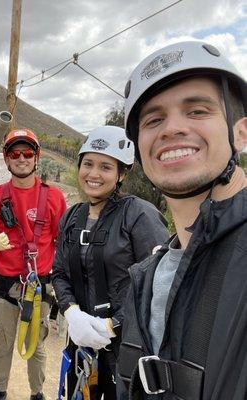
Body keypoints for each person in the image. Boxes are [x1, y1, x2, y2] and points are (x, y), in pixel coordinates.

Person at [117, 41, 247, 400]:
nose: (171, 128)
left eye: (197, 111)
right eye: (153, 119)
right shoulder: (149, 275)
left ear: (241, 133)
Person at [51, 126, 169, 400]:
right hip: (81, 343)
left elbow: (160, 283)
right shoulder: (72, 218)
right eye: (88, 164)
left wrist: (112, 324)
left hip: (127, 347)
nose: (93, 174)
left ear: (122, 174)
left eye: (105, 167)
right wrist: (71, 312)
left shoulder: (139, 215)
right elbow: (59, 273)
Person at [0, 128, 67, 400]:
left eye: (28, 153)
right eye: (15, 153)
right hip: (3, 285)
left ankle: (37, 393)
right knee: (1, 342)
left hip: (37, 287)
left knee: (36, 344)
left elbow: (62, 242)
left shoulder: (54, 198)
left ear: (37, 158)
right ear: (6, 160)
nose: (22, 158)